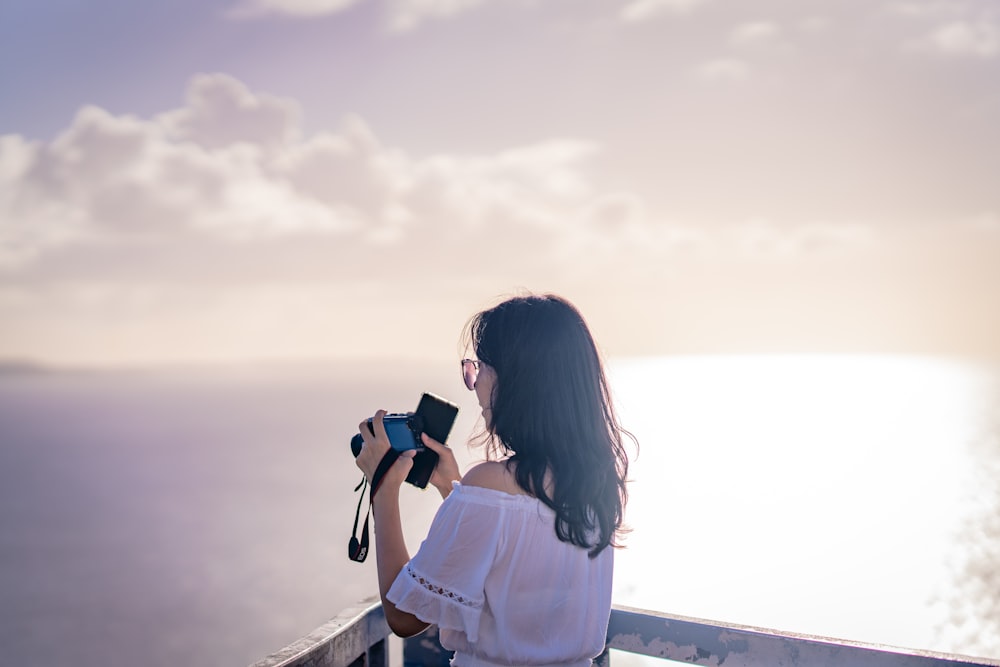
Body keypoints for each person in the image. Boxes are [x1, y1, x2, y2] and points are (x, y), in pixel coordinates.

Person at [354, 293, 634, 667]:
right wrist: (452, 490)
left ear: (515, 381)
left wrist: (383, 489)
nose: (475, 385)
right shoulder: (595, 486)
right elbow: (515, 574)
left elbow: (404, 617)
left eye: (478, 368)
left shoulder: (489, 485)